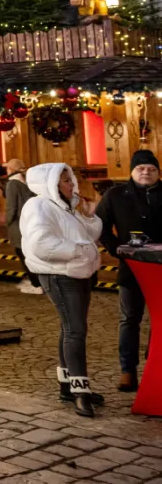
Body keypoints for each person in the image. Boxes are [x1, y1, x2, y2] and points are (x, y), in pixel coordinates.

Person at [20, 162, 103, 416]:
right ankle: (80, 391)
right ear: (52, 183)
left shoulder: (66, 206)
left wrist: (88, 214)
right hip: (59, 274)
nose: (72, 184)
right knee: (75, 330)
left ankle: (67, 385)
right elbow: (41, 244)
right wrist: (79, 251)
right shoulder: (39, 206)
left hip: (78, 271)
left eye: (71, 179)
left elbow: (91, 233)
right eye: (66, 180)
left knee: (70, 327)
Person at [97, 149, 162, 393]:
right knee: (129, 319)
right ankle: (128, 370)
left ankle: (156, 366)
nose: (146, 172)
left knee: (161, 320)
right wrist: (117, 250)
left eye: (151, 168)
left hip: (161, 269)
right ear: (132, 171)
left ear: (158, 172)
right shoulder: (115, 195)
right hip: (131, 268)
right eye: (141, 168)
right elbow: (100, 226)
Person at [3, 158, 41, 295]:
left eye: (7, 168)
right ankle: (37, 282)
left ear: (11, 170)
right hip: (30, 222)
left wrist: (7, 222)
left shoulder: (12, 183)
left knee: (23, 254)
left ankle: (36, 284)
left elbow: (11, 207)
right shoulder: (26, 182)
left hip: (18, 224)